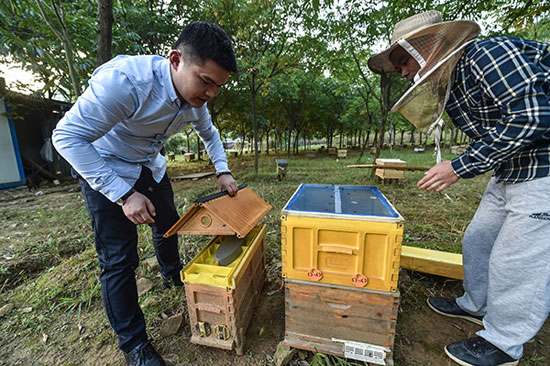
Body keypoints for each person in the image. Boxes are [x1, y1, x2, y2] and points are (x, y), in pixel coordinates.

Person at [368, 10, 550, 366]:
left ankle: (503, 343)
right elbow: (495, 131)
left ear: (432, 46)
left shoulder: (486, 56)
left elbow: (532, 115)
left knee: (517, 259)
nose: (403, 73)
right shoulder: (452, 84)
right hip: (510, 169)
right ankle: (476, 304)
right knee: (478, 238)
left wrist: (459, 166)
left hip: (545, 168)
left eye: (405, 62)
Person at [52, 22, 239, 366]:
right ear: (176, 59)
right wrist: (124, 195)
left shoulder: (196, 99)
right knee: (119, 258)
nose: (211, 94)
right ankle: (135, 346)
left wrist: (222, 170)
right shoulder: (125, 83)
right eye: (206, 81)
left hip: (147, 164)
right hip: (103, 165)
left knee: (168, 221)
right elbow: (66, 138)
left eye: (219, 87)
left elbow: (210, 135)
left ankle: (171, 273)